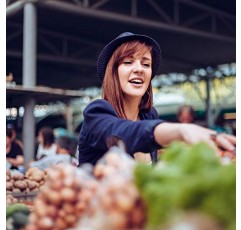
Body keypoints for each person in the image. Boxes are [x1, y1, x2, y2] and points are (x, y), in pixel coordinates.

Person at [78, 32, 236, 165]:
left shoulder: (149, 115)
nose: (139, 69)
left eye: (146, 64)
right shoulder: (97, 113)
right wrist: (182, 130)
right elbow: (125, 133)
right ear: (113, 73)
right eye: (128, 62)